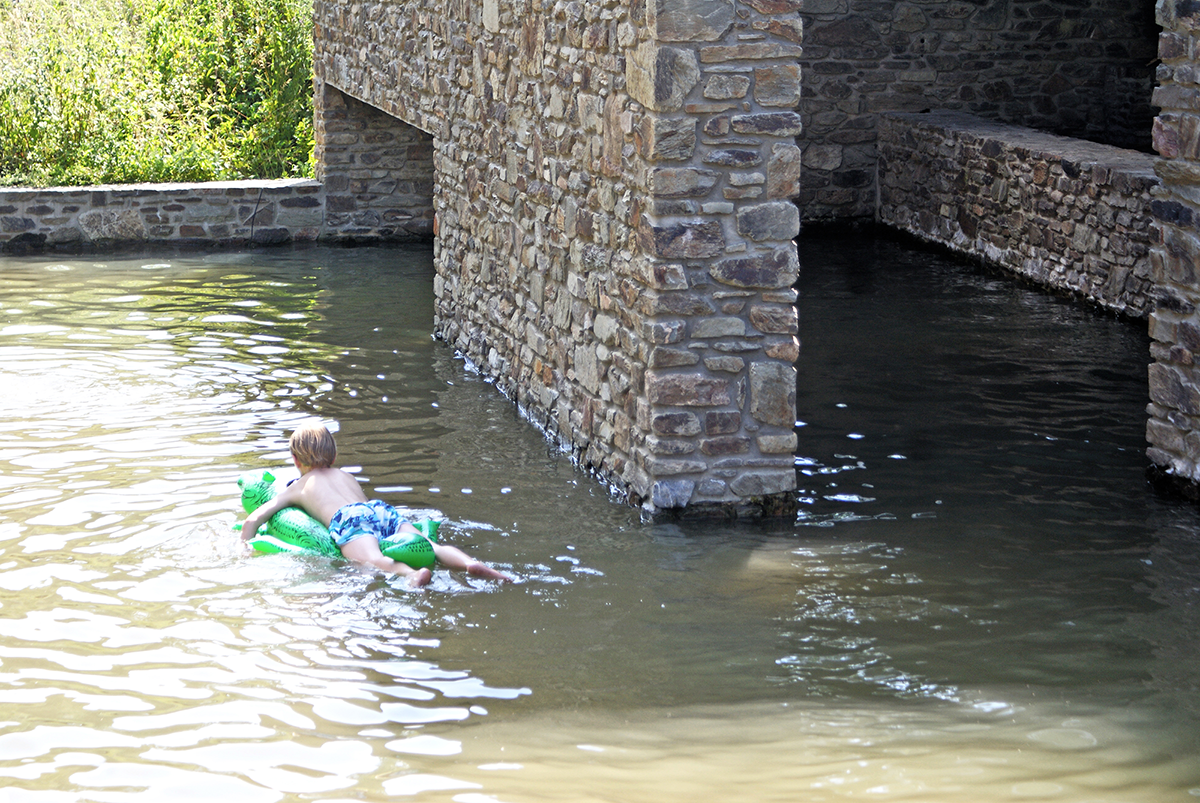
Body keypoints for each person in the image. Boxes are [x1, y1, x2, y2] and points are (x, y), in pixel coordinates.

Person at [241, 421, 512, 588]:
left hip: (349, 519)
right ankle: (470, 564)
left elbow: (254, 519)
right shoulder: (346, 476)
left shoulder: (300, 486)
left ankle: (410, 575)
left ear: (296, 461)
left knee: (372, 560)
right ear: (333, 457)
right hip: (380, 510)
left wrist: (243, 548)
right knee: (434, 547)